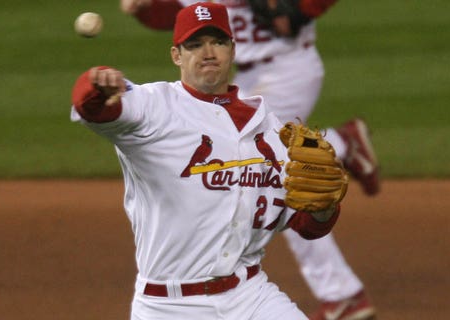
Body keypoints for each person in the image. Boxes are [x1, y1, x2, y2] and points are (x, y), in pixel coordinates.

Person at [70, 2, 348, 319]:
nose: (208, 52)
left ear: (232, 49)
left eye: (217, 42)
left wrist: (326, 207)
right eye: (195, 44)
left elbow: (308, 226)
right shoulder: (154, 107)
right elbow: (91, 107)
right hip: (168, 306)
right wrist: (95, 86)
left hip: (250, 297)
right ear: (176, 55)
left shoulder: (271, 129)